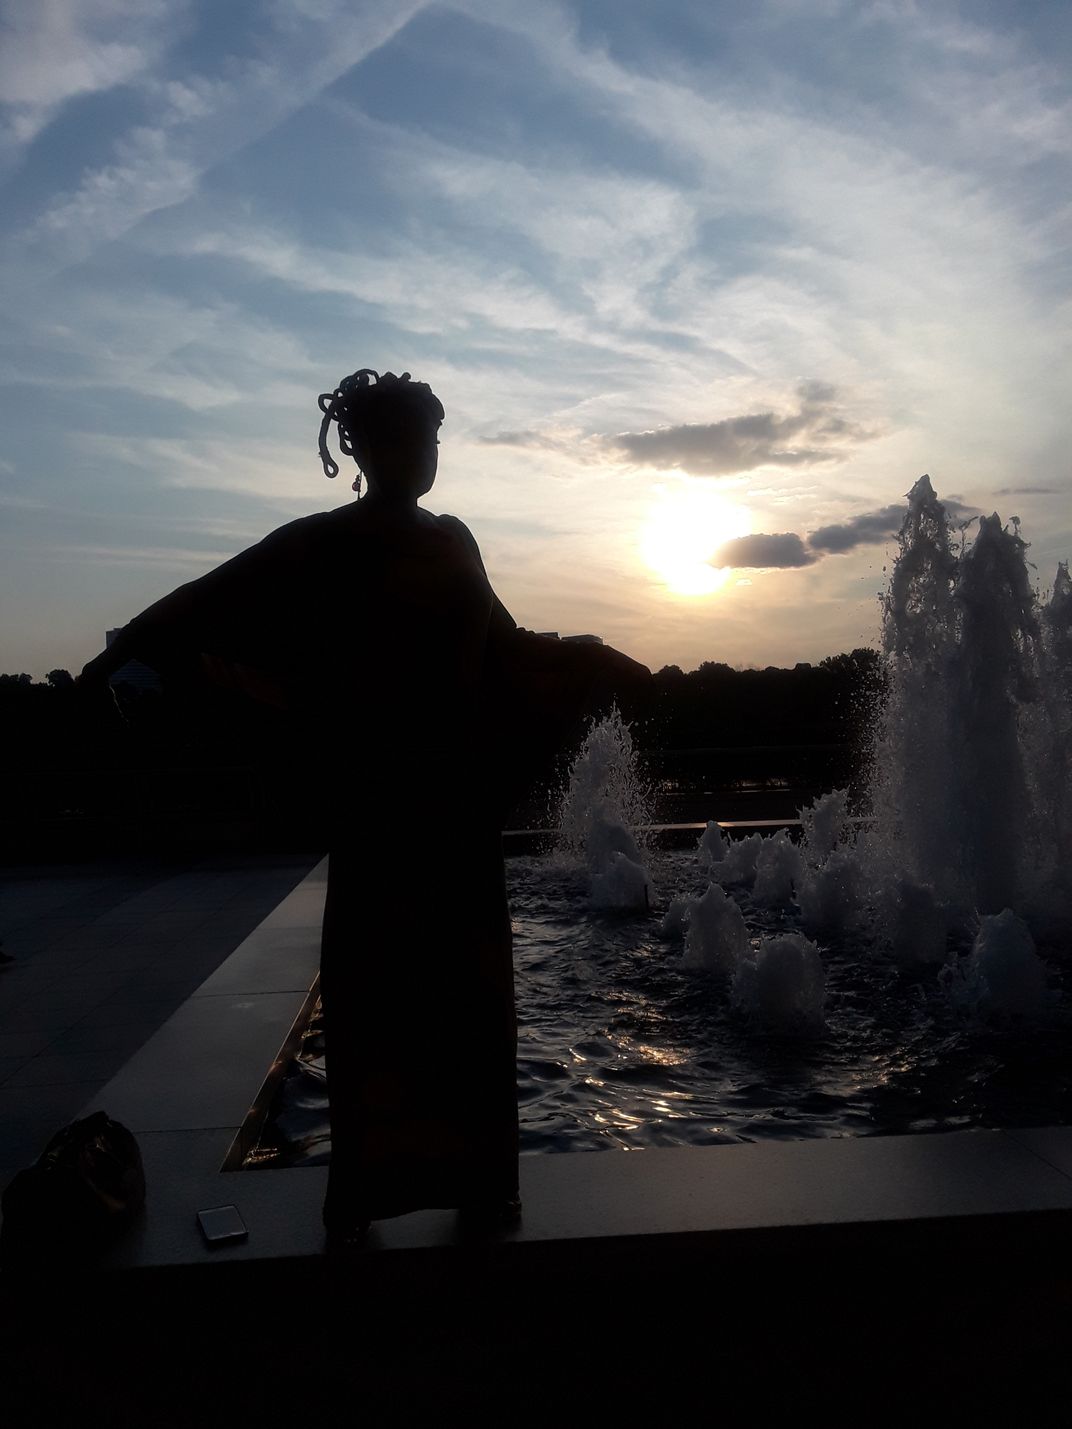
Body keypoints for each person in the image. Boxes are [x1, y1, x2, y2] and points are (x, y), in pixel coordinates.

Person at [79, 369, 650, 1242]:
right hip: (380, 806)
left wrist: (587, 656)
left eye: (432, 440)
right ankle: (368, 1186)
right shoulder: (322, 544)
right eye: (409, 439)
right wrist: (121, 651)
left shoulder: (455, 539)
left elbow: (504, 645)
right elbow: (212, 599)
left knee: (467, 1000)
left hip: (454, 807)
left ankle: (479, 1178)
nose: (424, 454)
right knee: (379, 1003)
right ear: (367, 448)